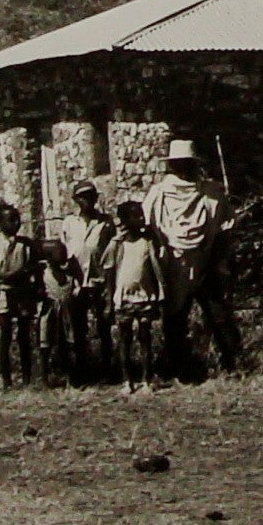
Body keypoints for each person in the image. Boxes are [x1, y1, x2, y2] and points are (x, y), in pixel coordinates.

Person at [142, 139, 242, 380]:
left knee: (217, 316)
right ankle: (181, 369)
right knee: (176, 318)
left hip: (205, 263)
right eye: (179, 164)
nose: (183, 169)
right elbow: (148, 230)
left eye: (185, 164)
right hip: (174, 266)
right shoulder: (159, 194)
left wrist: (216, 261)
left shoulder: (211, 194)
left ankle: (232, 367)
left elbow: (225, 231)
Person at [96, 200, 167, 393]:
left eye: (142, 215)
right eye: (136, 216)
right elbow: (109, 273)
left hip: (144, 298)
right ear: (125, 220)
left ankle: (147, 380)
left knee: (145, 337)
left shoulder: (148, 243)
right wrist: (110, 300)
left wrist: (159, 295)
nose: (141, 219)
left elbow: (155, 269)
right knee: (124, 339)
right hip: (124, 299)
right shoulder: (117, 245)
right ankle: (127, 381)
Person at [59, 179, 116, 382]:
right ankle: (82, 371)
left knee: (104, 326)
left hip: (99, 281)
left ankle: (108, 369)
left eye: (91, 196)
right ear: (76, 200)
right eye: (83, 197)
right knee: (78, 328)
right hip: (77, 282)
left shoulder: (106, 222)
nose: (87, 201)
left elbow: (112, 252)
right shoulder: (69, 223)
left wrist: (110, 284)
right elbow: (65, 251)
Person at [0, 202, 37, 389]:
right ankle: (7, 380)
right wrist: (9, 276)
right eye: (10, 220)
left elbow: (32, 266)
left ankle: (27, 377)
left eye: (17, 220)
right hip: (3, 292)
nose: (15, 224)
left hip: (22, 293)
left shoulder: (26, 245)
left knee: (24, 335)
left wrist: (24, 275)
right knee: (5, 334)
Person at [37, 239, 77, 386]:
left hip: (67, 312)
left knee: (69, 343)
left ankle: (71, 378)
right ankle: (44, 378)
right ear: (49, 257)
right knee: (45, 343)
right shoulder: (44, 274)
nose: (64, 255)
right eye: (60, 253)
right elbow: (39, 292)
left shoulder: (70, 274)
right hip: (49, 311)